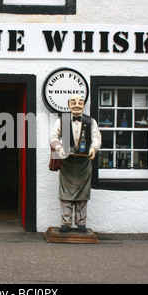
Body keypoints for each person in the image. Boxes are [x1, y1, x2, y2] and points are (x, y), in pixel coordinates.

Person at [50, 95, 102, 233]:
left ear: (84, 104)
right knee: (65, 194)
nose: (77, 105)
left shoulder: (91, 121)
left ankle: (81, 223)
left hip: (84, 164)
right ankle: (66, 223)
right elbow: (53, 138)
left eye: (80, 102)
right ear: (68, 105)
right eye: (73, 102)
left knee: (83, 195)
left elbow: (97, 139)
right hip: (67, 163)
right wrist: (59, 148)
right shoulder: (62, 121)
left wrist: (93, 148)